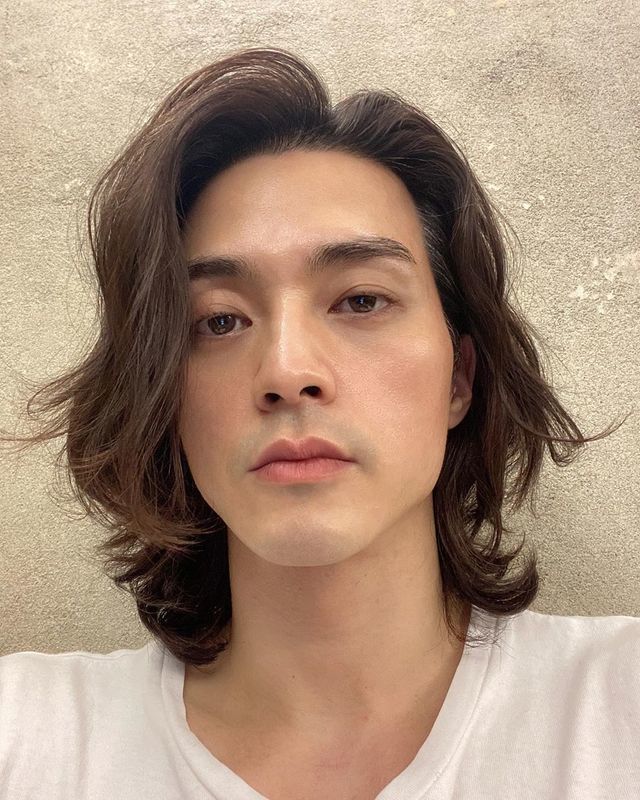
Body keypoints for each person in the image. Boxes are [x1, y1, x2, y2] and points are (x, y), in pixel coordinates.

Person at [0, 46, 637, 800]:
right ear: (161, 393)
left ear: (459, 378)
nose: (286, 370)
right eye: (219, 320)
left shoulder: (616, 707)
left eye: (361, 300)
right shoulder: (29, 735)